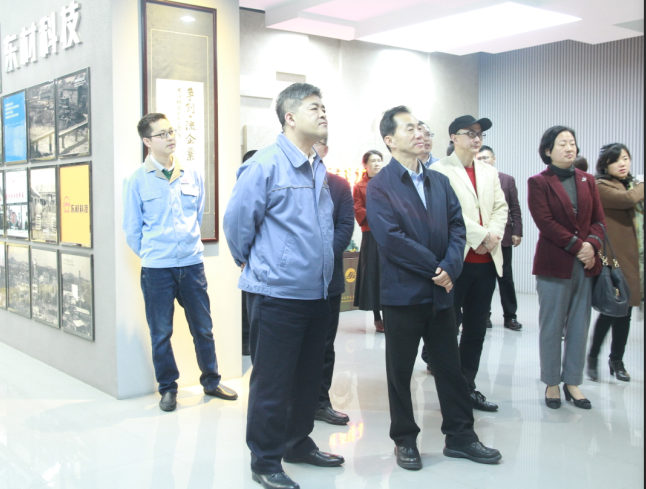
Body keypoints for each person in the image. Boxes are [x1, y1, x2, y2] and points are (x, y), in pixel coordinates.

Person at [366, 106, 501, 471]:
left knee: (450, 368)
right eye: (409, 129)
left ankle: (461, 437)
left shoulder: (439, 181)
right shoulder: (381, 185)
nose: (420, 134)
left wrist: (451, 267)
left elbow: (458, 227)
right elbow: (390, 238)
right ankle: (405, 439)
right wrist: (436, 268)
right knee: (400, 371)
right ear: (390, 140)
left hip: (441, 291)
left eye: (422, 128)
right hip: (403, 294)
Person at [223, 83, 343, 489]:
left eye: (324, 107)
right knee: (272, 382)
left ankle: (297, 443)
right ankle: (265, 460)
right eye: (314, 107)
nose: (323, 114)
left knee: (307, 378)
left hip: (317, 291)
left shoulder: (316, 164)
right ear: (290, 117)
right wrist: (257, 262)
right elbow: (237, 224)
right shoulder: (265, 164)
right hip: (276, 292)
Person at [123, 113, 238, 412]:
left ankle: (211, 381)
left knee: (203, 328)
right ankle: (168, 388)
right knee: (161, 333)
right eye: (162, 134)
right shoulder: (136, 180)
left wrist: (186, 248)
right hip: (156, 270)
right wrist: (155, 254)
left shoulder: (192, 173)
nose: (170, 137)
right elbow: (132, 230)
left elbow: (197, 215)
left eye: (171, 131)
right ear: (147, 141)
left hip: (191, 265)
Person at [430, 116, 508, 412]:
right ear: (453, 137)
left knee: (476, 328)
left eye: (480, 134)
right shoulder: (439, 170)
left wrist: (493, 235)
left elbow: (500, 207)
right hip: (457, 261)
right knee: (447, 328)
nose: (477, 139)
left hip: (487, 261)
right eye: (470, 133)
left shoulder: (489, 171)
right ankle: (450, 391)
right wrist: (481, 236)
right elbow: (446, 213)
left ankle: (467, 386)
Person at [528, 126, 605, 410]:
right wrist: (578, 246)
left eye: (572, 142)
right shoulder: (539, 182)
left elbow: (599, 220)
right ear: (548, 150)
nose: (569, 148)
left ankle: (573, 381)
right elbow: (545, 222)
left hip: (585, 265)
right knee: (552, 326)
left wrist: (592, 246)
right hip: (554, 264)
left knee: (579, 326)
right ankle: (551, 382)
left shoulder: (587, 180)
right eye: (562, 143)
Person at [588, 143, 644, 382]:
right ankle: (593, 357)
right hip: (613, 258)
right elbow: (627, 200)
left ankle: (616, 361)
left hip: (633, 258)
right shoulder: (600, 185)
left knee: (626, 312)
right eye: (616, 160)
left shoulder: (631, 184)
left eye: (626, 158)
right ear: (605, 164)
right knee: (610, 311)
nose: (623, 164)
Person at [311, 138, 355, 426]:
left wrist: (324, 257)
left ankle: (320, 402)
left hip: (329, 279)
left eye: (320, 142)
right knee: (292, 345)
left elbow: (345, 225)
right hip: (291, 279)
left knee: (325, 345)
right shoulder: (285, 181)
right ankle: (290, 402)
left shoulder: (338, 185)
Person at [476, 145, 523, 331]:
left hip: (503, 237)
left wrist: (517, 231)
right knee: (483, 279)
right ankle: (484, 315)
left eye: (486, 157)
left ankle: (510, 316)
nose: (482, 161)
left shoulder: (506, 179)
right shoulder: (473, 180)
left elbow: (514, 208)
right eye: (479, 158)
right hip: (481, 238)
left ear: (494, 159)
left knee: (505, 278)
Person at [353, 150, 385, 332]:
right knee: (372, 273)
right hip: (371, 234)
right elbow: (358, 209)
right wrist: (377, 215)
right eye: (373, 161)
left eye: (379, 160)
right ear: (365, 165)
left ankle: (391, 315)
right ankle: (377, 317)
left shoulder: (389, 183)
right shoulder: (359, 186)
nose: (377, 163)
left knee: (388, 273)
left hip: (389, 234)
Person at [241, 150, 257, 356]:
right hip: (246, 258)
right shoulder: (241, 188)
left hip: (264, 259)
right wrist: (242, 256)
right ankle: (245, 340)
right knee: (245, 302)